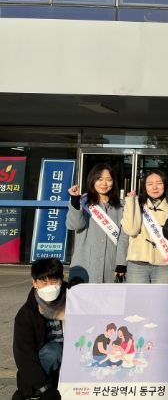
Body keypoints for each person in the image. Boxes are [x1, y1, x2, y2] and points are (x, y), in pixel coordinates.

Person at [12, 258, 67, 400]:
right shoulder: (26, 315)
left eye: (54, 281)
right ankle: (32, 392)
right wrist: (44, 388)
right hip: (43, 368)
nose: (49, 286)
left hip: (72, 358)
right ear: (34, 283)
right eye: (44, 282)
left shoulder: (72, 299)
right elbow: (24, 355)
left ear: (61, 280)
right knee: (54, 350)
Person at [67, 164, 128, 284]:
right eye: (100, 179)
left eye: (108, 179)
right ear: (92, 180)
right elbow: (74, 225)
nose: (104, 183)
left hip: (111, 265)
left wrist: (121, 263)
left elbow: (124, 236)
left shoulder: (122, 206)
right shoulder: (83, 202)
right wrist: (74, 200)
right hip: (85, 265)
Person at [121, 170, 168, 284]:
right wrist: (131, 202)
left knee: (161, 296)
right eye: (149, 184)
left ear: (165, 185)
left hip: (163, 265)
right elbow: (131, 230)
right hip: (137, 264)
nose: (154, 187)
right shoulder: (137, 204)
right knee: (137, 296)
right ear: (144, 187)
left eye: (159, 183)